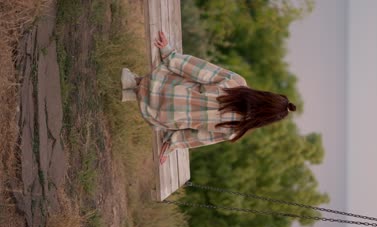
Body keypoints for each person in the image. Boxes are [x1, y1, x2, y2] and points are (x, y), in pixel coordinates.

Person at [121, 31, 296, 165]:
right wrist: (172, 143)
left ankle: (135, 84)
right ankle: (133, 91)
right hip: (159, 115)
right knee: (185, 115)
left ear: (265, 96)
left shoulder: (237, 84)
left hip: (161, 86)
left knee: (192, 85)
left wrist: (168, 54)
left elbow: (200, 70)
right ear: (264, 120)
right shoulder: (235, 130)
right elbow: (198, 137)